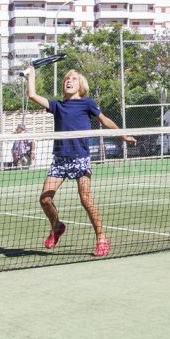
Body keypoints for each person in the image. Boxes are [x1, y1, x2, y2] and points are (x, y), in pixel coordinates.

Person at [25, 66, 134, 257]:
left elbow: (104, 120)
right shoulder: (57, 106)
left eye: (73, 79)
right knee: (45, 199)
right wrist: (31, 74)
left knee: (85, 199)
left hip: (80, 158)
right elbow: (33, 95)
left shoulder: (87, 103)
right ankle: (57, 226)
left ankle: (101, 238)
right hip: (60, 159)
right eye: (67, 79)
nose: (69, 81)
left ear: (80, 85)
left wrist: (122, 135)